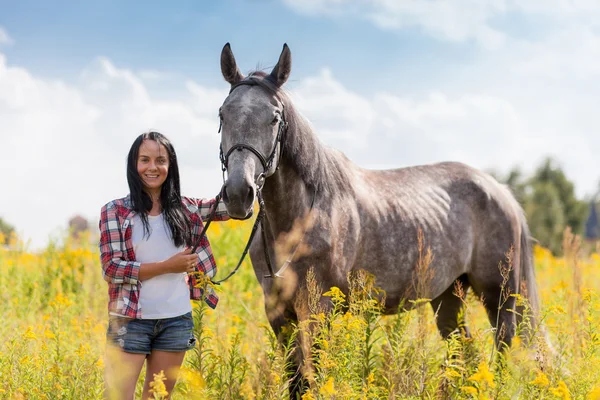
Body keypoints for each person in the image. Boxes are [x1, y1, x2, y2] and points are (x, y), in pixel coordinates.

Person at [99, 131, 229, 399]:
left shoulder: (186, 209)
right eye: (144, 159)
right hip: (130, 321)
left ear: (171, 166)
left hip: (175, 321)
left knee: (158, 398)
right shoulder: (115, 211)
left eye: (161, 160)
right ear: (134, 165)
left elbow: (235, 206)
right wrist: (168, 266)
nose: (153, 167)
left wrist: (248, 165)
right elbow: (111, 268)